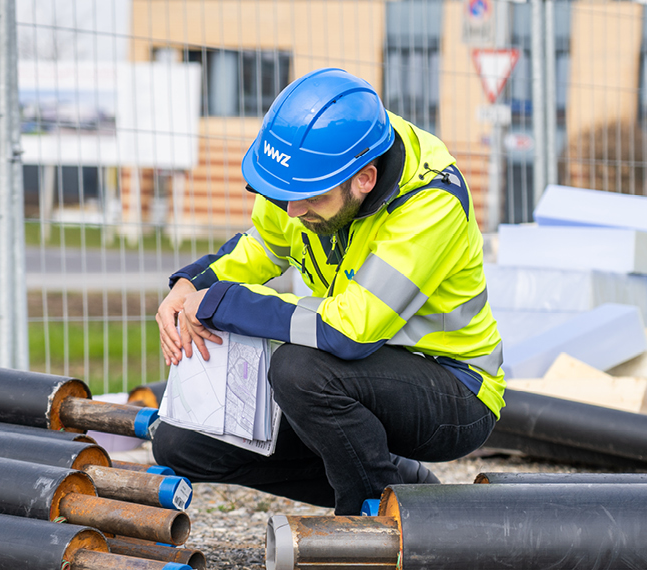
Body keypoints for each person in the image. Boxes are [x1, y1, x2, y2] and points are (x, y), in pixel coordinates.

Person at [152, 68, 503, 516]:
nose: (292, 211)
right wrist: (191, 285)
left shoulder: (430, 203)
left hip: (452, 389)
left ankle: (373, 525)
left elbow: (348, 333)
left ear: (365, 180)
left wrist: (225, 302)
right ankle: (400, 490)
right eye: (282, 196)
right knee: (182, 442)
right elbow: (262, 245)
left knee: (300, 369)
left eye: (309, 199)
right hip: (350, 378)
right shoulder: (304, 178)